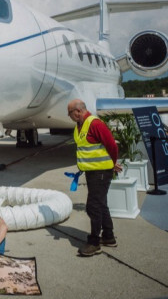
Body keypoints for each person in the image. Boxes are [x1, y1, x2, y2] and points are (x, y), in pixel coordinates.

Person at [68, 98, 122, 256]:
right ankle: (108, 237)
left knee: (93, 206)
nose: (69, 115)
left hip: (101, 173)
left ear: (78, 112)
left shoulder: (95, 123)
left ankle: (94, 242)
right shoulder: (80, 125)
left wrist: (112, 163)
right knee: (101, 204)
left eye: (70, 112)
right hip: (92, 172)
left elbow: (111, 145)